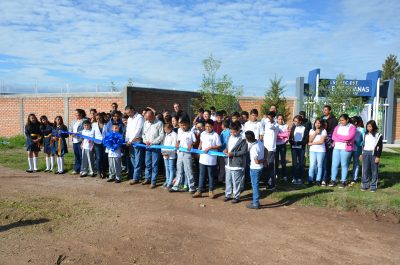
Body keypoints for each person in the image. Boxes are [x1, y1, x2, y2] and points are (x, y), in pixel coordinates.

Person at [193, 120, 221, 199]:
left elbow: (219, 145)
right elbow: (201, 143)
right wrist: (198, 150)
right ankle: (199, 191)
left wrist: (210, 147)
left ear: (213, 126)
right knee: (201, 175)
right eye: (206, 126)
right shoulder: (203, 133)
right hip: (203, 158)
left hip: (211, 159)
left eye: (209, 126)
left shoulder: (215, 135)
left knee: (211, 175)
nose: (208, 128)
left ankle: (211, 190)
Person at [223, 121, 248, 203]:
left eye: (234, 131)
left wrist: (232, 154)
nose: (232, 133)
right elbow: (227, 146)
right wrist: (226, 150)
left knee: (236, 181)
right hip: (228, 163)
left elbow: (243, 152)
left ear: (238, 130)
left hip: (237, 164)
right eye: (231, 131)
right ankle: (228, 194)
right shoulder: (229, 137)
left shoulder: (242, 139)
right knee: (228, 180)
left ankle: (236, 196)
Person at [330, 114, 356, 188]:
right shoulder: (337, 127)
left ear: (347, 120)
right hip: (336, 147)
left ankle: (343, 181)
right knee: (334, 164)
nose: (341, 122)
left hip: (346, 148)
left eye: (343, 120)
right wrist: (343, 139)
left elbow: (349, 137)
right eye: (340, 120)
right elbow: (333, 137)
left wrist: (339, 137)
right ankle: (333, 180)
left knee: (344, 165)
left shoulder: (352, 127)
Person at [169, 119, 196, 193]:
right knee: (179, 170)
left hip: (187, 153)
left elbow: (194, 141)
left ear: (187, 125)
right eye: (181, 125)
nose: (183, 127)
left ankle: (192, 187)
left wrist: (191, 144)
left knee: (188, 170)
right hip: (180, 153)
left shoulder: (191, 133)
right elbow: (179, 140)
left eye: (184, 125)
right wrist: (177, 143)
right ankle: (176, 186)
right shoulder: (180, 132)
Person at [142, 109, 165, 188]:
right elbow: (143, 134)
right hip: (147, 146)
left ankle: (153, 181)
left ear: (153, 116)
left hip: (155, 147)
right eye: (147, 118)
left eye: (149, 118)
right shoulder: (145, 123)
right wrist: (145, 141)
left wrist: (153, 142)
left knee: (154, 164)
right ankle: (147, 178)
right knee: (147, 163)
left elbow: (161, 135)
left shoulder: (159, 123)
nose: (148, 120)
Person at [361, 120, 383, 192]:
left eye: (370, 126)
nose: (368, 128)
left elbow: (380, 147)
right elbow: (363, 145)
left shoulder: (378, 135)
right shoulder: (365, 134)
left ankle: (373, 186)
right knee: (365, 170)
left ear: (373, 127)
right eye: (367, 126)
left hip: (373, 154)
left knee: (374, 170)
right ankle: (365, 185)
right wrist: (361, 153)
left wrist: (378, 156)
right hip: (365, 153)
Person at [125, 105, 145, 185]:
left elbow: (138, 130)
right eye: (127, 113)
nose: (128, 114)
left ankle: (135, 178)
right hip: (130, 142)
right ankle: (138, 175)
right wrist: (127, 140)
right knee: (132, 158)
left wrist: (130, 140)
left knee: (137, 160)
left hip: (137, 141)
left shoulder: (139, 117)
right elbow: (128, 130)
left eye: (129, 112)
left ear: (133, 110)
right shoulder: (129, 119)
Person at [245, 131, 264, 210]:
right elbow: (265, 149)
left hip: (255, 168)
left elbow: (256, 161)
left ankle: (255, 203)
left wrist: (263, 160)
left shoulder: (253, 148)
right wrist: (265, 159)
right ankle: (255, 201)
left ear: (248, 139)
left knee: (255, 185)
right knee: (255, 185)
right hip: (259, 167)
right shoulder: (259, 142)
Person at [289, 115, 308, 185]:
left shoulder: (304, 128)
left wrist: (299, 143)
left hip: (301, 148)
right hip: (294, 148)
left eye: (296, 121)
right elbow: (290, 138)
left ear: (300, 121)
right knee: (294, 163)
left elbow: (306, 139)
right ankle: (294, 177)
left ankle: (300, 178)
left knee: (301, 163)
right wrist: (292, 142)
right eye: (294, 121)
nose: (295, 122)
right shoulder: (293, 128)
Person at [321, 105, 338, 183]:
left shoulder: (334, 119)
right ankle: (320, 176)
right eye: (323, 110)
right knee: (321, 159)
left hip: (329, 141)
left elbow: (334, 130)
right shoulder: (321, 118)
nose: (324, 111)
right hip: (320, 140)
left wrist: (328, 136)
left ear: (329, 111)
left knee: (328, 159)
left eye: (325, 110)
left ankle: (327, 176)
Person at [308, 118, 327, 186]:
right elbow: (310, 140)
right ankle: (310, 180)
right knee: (312, 165)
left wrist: (312, 144)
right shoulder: (311, 130)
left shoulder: (324, 131)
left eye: (319, 123)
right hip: (312, 150)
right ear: (314, 123)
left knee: (319, 165)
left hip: (321, 151)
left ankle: (318, 180)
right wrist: (315, 133)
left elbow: (321, 141)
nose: (317, 124)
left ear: (321, 124)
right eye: (316, 123)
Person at [263, 111, 279, 189]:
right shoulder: (266, 123)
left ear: (273, 117)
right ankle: (266, 182)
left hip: (271, 149)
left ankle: (272, 183)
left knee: (271, 166)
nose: (268, 118)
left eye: (270, 117)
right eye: (268, 117)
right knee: (265, 165)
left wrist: (270, 120)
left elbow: (271, 126)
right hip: (265, 147)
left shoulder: (276, 125)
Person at [70, 109, 87, 175]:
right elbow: (70, 128)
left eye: (76, 113)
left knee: (81, 155)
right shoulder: (74, 121)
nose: (75, 115)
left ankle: (82, 169)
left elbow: (85, 129)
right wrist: (71, 133)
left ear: (81, 114)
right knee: (76, 155)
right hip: (74, 141)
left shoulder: (84, 120)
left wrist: (77, 133)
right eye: (75, 113)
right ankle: (76, 169)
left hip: (81, 140)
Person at [350, 116, 365, 186]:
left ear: (355, 123)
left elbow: (364, 141)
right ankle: (344, 178)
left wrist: (357, 143)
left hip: (357, 149)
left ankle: (354, 179)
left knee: (356, 164)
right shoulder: (349, 128)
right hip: (349, 149)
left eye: (351, 122)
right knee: (345, 163)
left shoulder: (362, 130)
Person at [161, 123, 177, 189]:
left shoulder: (174, 135)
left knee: (171, 169)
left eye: (166, 129)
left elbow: (174, 146)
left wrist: (168, 153)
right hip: (165, 154)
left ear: (171, 128)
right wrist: (163, 152)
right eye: (164, 129)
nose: (165, 131)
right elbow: (162, 144)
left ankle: (170, 182)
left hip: (171, 155)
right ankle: (167, 181)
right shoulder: (165, 135)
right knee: (167, 169)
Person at [92, 112, 108, 178]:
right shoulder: (94, 125)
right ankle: (99, 172)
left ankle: (104, 172)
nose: (99, 119)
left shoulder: (106, 125)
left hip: (105, 144)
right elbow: (92, 134)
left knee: (104, 158)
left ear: (102, 118)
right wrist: (92, 143)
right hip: (97, 143)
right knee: (98, 158)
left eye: (100, 118)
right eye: (97, 118)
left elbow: (108, 134)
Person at [275, 114, 289, 181]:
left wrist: (280, 136)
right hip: (276, 145)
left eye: (281, 119)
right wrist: (282, 136)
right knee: (276, 161)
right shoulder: (275, 126)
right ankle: (276, 174)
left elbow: (287, 135)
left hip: (283, 144)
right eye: (279, 119)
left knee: (283, 161)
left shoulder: (285, 126)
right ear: (277, 119)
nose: (280, 120)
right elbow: (276, 135)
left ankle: (284, 175)